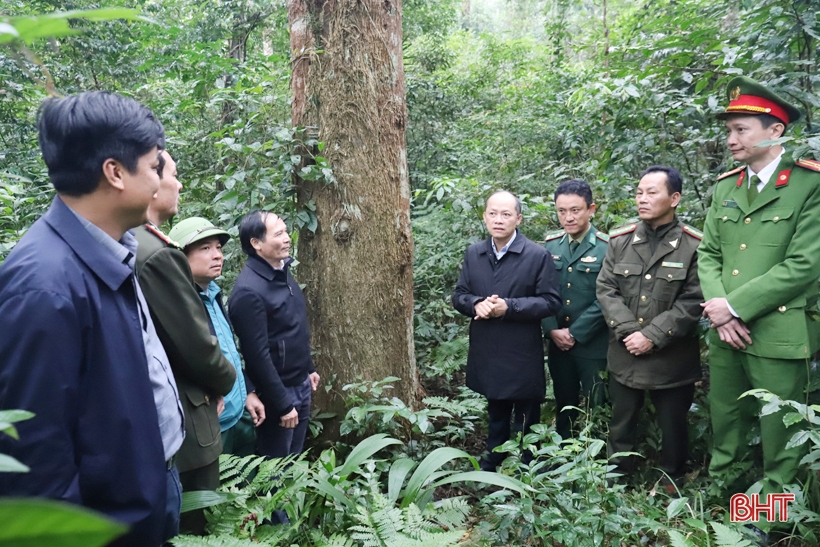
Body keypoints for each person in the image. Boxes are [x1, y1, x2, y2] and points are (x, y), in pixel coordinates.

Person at [0, 91, 184, 546]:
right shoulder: (43, 285)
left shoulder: (108, 250)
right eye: (154, 165)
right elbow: (36, 464)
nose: (161, 181)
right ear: (115, 173)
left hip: (141, 499)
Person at [699, 76, 820, 501]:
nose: (731, 139)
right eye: (729, 130)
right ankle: (720, 499)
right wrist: (719, 310)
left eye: (740, 129)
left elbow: (804, 265)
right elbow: (709, 254)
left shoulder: (809, 184)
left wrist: (733, 307)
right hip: (726, 331)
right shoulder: (726, 186)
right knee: (726, 419)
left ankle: (770, 512)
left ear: (775, 131)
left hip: (778, 332)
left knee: (781, 434)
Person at [134, 152, 237, 534]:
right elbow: (199, 348)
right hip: (187, 421)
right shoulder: (157, 255)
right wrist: (224, 381)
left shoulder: (136, 244)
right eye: (173, 175)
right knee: (196, 526)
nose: (179, 185)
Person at [596, 166, 702, 488]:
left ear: (675, 198)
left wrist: (653, 336)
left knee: (673, 426)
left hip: (671, 359)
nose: (642, 199)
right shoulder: (621, 240)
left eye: (651, 192)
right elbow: (606, 289)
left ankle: (671, 481)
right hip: (626, 352)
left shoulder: (694, 245)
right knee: (621, 423)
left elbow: (694, 299)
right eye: (639, 192)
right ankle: (617, 481)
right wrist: (630, 333)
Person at [452, 191, 562, 471]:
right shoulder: (475, 253)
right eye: (492, 213)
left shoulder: (536, 255)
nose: (498, 220)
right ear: (484, 216)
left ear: (518, 219)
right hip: (488, 346)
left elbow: (551, 301)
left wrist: (508, 307)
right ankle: (494, 460)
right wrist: (476, 304)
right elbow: (460, 294)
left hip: (521, 348)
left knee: (527, 412)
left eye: (506, 214)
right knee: (496, 409)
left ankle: (529, 466)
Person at [169, 216, 266, 457]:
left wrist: (248, 393)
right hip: (212, 423)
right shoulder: (177, 304)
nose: (217, 255)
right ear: (180, 256)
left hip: (238, 415)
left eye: (218, 248)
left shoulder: (212, 293)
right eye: (205, 248)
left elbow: (227, 351)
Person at [228, 211, 320, 459]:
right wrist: (282, 403)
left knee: (294, 458)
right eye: (278, 234)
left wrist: (308, 367)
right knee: (275, 469)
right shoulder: (249, 291)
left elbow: (292, 327)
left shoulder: (281, 271)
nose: (287, 238)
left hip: (300, 383)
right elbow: (256, 355)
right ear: (256, 243)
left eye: (285, 231)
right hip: (278, 393)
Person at [542, 179, 610, 439]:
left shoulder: (607, 246)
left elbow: (607, 296)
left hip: (593, 343)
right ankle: (563, 456)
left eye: (575, 210)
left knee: (598, 404)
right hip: (558, 343)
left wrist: (575, 332)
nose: (568, 217)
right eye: (561, 211)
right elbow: (542, 291)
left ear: (591, 209)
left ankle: (597, 460)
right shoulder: (551, 245)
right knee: (564, 402)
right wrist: (552, 331)